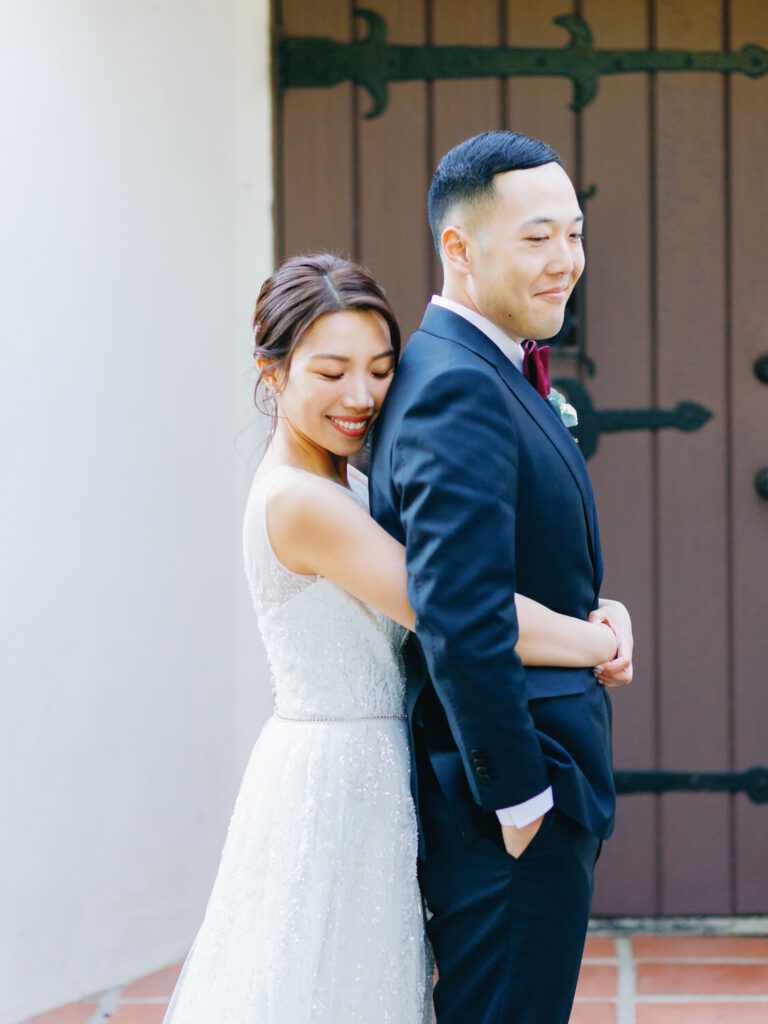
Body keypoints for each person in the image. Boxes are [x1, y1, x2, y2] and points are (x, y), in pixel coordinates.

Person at [161, 252, 623, 1024]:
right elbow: (457, 610)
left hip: (374, 771)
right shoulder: (300, 503)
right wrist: (595, 643)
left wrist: (600, 612)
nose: (362, 397)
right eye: (332, 372)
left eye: (379, 370)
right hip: (334, 781)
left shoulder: (349, 485)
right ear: (271, 373)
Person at [368, 131, 633, 1024]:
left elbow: (504, 563)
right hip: (512, 794)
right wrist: (520, 795)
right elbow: (456, 605)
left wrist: (599, 615)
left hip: (532, 778)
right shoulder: (456, 383)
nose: (566, 261)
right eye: (537, 238)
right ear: (459, 247)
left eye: (576, 233)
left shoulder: (487, 365)